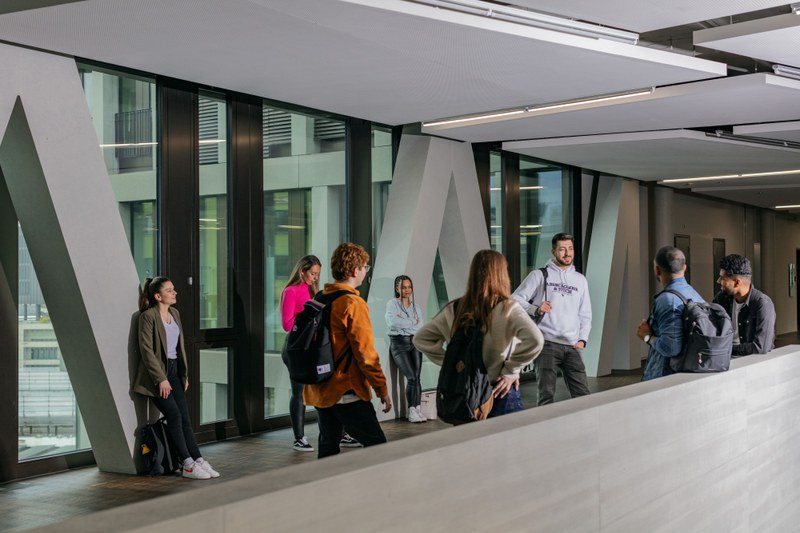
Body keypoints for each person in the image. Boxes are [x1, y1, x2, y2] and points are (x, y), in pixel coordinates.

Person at [414, 250, 544, 417]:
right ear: (502, 275)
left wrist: (453, 363)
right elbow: (536, 340)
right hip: (499, 390)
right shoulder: (507, 308)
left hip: (465, 394)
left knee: (470, 441)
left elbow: (420, 339)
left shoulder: (454, 309)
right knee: (511, 442)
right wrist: (511, 370)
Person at [303, 242, 392, 458]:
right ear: (355, 270)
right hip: (346, 389)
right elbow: (366, 354)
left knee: (328, 449)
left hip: (319, 388)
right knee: (379, 449)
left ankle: (327, 491)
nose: (365, 272)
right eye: (364, 268)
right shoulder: (353, 303)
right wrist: (381, 389)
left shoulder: (319, 298)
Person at [133, 276, 219, 480]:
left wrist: (183, 375)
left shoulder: (175, 313)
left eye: (173, 289)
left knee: (185, 419)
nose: (174, 293)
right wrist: (160, 378)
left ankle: (197, 459)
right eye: (170, 290)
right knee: (174, 416)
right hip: (157, 376)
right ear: (157, 296)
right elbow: (146, 351)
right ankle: (187, 464)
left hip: (174, 372)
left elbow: (179, 348)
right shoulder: (148, 317)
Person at [511, 233, 592, 406]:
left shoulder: (580, 280)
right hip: (547, 343)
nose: (567, 253)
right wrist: (536, 308)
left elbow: (585, 314)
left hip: (572, 346)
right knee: (546, 396)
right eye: (562, 249)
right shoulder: (539, 275)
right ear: (554, 251)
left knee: (584, 396)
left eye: (570, 249)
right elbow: (515, 299)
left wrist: (582, 340)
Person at [637, 246, 704, 380]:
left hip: (665, 377)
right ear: (684, 268)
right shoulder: (695, 295)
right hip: (689, 371)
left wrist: (646, 337)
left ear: (657, 270)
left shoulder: (668, 300)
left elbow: (671, 348)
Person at [280, 255, 321, 452]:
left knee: (320, 388)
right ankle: (299, 438)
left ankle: (334, 433)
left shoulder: (313, 290)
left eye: (317, 274)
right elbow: (287, 324)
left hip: (310, 348)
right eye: (312, 273)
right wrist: (307, 315)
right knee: (299, 393)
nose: (315, 277)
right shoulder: (290, 291)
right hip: (295, 348)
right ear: (302, 271)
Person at [713, 254, 775, 356]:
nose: (718, 281)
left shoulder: (762, 304)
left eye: (722, 278)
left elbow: (760, 347)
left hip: (751, 363)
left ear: (737, 282)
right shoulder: (721, 299)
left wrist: (727, 349)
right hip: (723, 359)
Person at [385, 275, 426, 423]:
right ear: (397, 288)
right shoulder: (392, 304)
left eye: (409, 287)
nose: (407, 290)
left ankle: (417, 408)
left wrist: (405, 322)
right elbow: (393, 323)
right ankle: (411, 411)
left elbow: (420, 325)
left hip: (415, 342)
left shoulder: (416, 306)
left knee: (417, 377)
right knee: (411, 377)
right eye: (404, 287)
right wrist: (411, 322)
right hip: (399, 344)